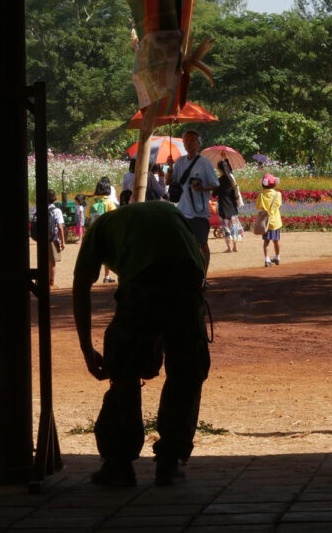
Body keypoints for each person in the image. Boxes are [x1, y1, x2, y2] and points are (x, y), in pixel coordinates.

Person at [72, 201, 210, 488]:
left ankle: (118, 464)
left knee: (123, 371)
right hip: (187, 281)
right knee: (186, 371)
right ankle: (169, 462)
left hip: (143, 284)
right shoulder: (169, 210)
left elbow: (81, 286)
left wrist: (87, 348)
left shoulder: (98, 229)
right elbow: (202, 252)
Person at [168, 129, 220, 284]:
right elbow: (169, 182)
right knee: (184, 245)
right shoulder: (179, 162)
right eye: (186, 141)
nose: (188, 144)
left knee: (202, 244)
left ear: (198, 143)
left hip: (199, 212)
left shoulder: (204, 163)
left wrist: (202, 188)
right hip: (183, 210)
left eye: (192, 141)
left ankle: (204, 276)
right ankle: (188, 275)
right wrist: (170, 168)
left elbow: (215, 185)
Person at [214, 159, 243, 253]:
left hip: (223, 206)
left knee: (225, 227)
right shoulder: (231, 179)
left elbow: (214, 194)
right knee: (234, 226)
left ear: (219, 169)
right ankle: (235, 247)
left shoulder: (219, 181)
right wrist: (225, 160)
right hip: (232, 206)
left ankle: (229, 248)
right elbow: (230, 171)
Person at [38, 189, 65, 287]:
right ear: (55, 199)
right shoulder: (57, 211)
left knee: (43, 260)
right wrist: (63, 242)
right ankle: (51, 283)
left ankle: (41, 281)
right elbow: (60, 227)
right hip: (53, 239)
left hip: (41, 238)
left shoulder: (39, 209)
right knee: (52, 262)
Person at [257, 173, 283, 266]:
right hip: (275, 222)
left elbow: (258, 206)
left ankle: (267, 259)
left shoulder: (261, 195)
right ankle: (277, 257)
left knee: (266, 242)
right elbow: (279, 205)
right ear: (274, 184)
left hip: (266, 222)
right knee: (276, 241)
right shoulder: (278, 194)